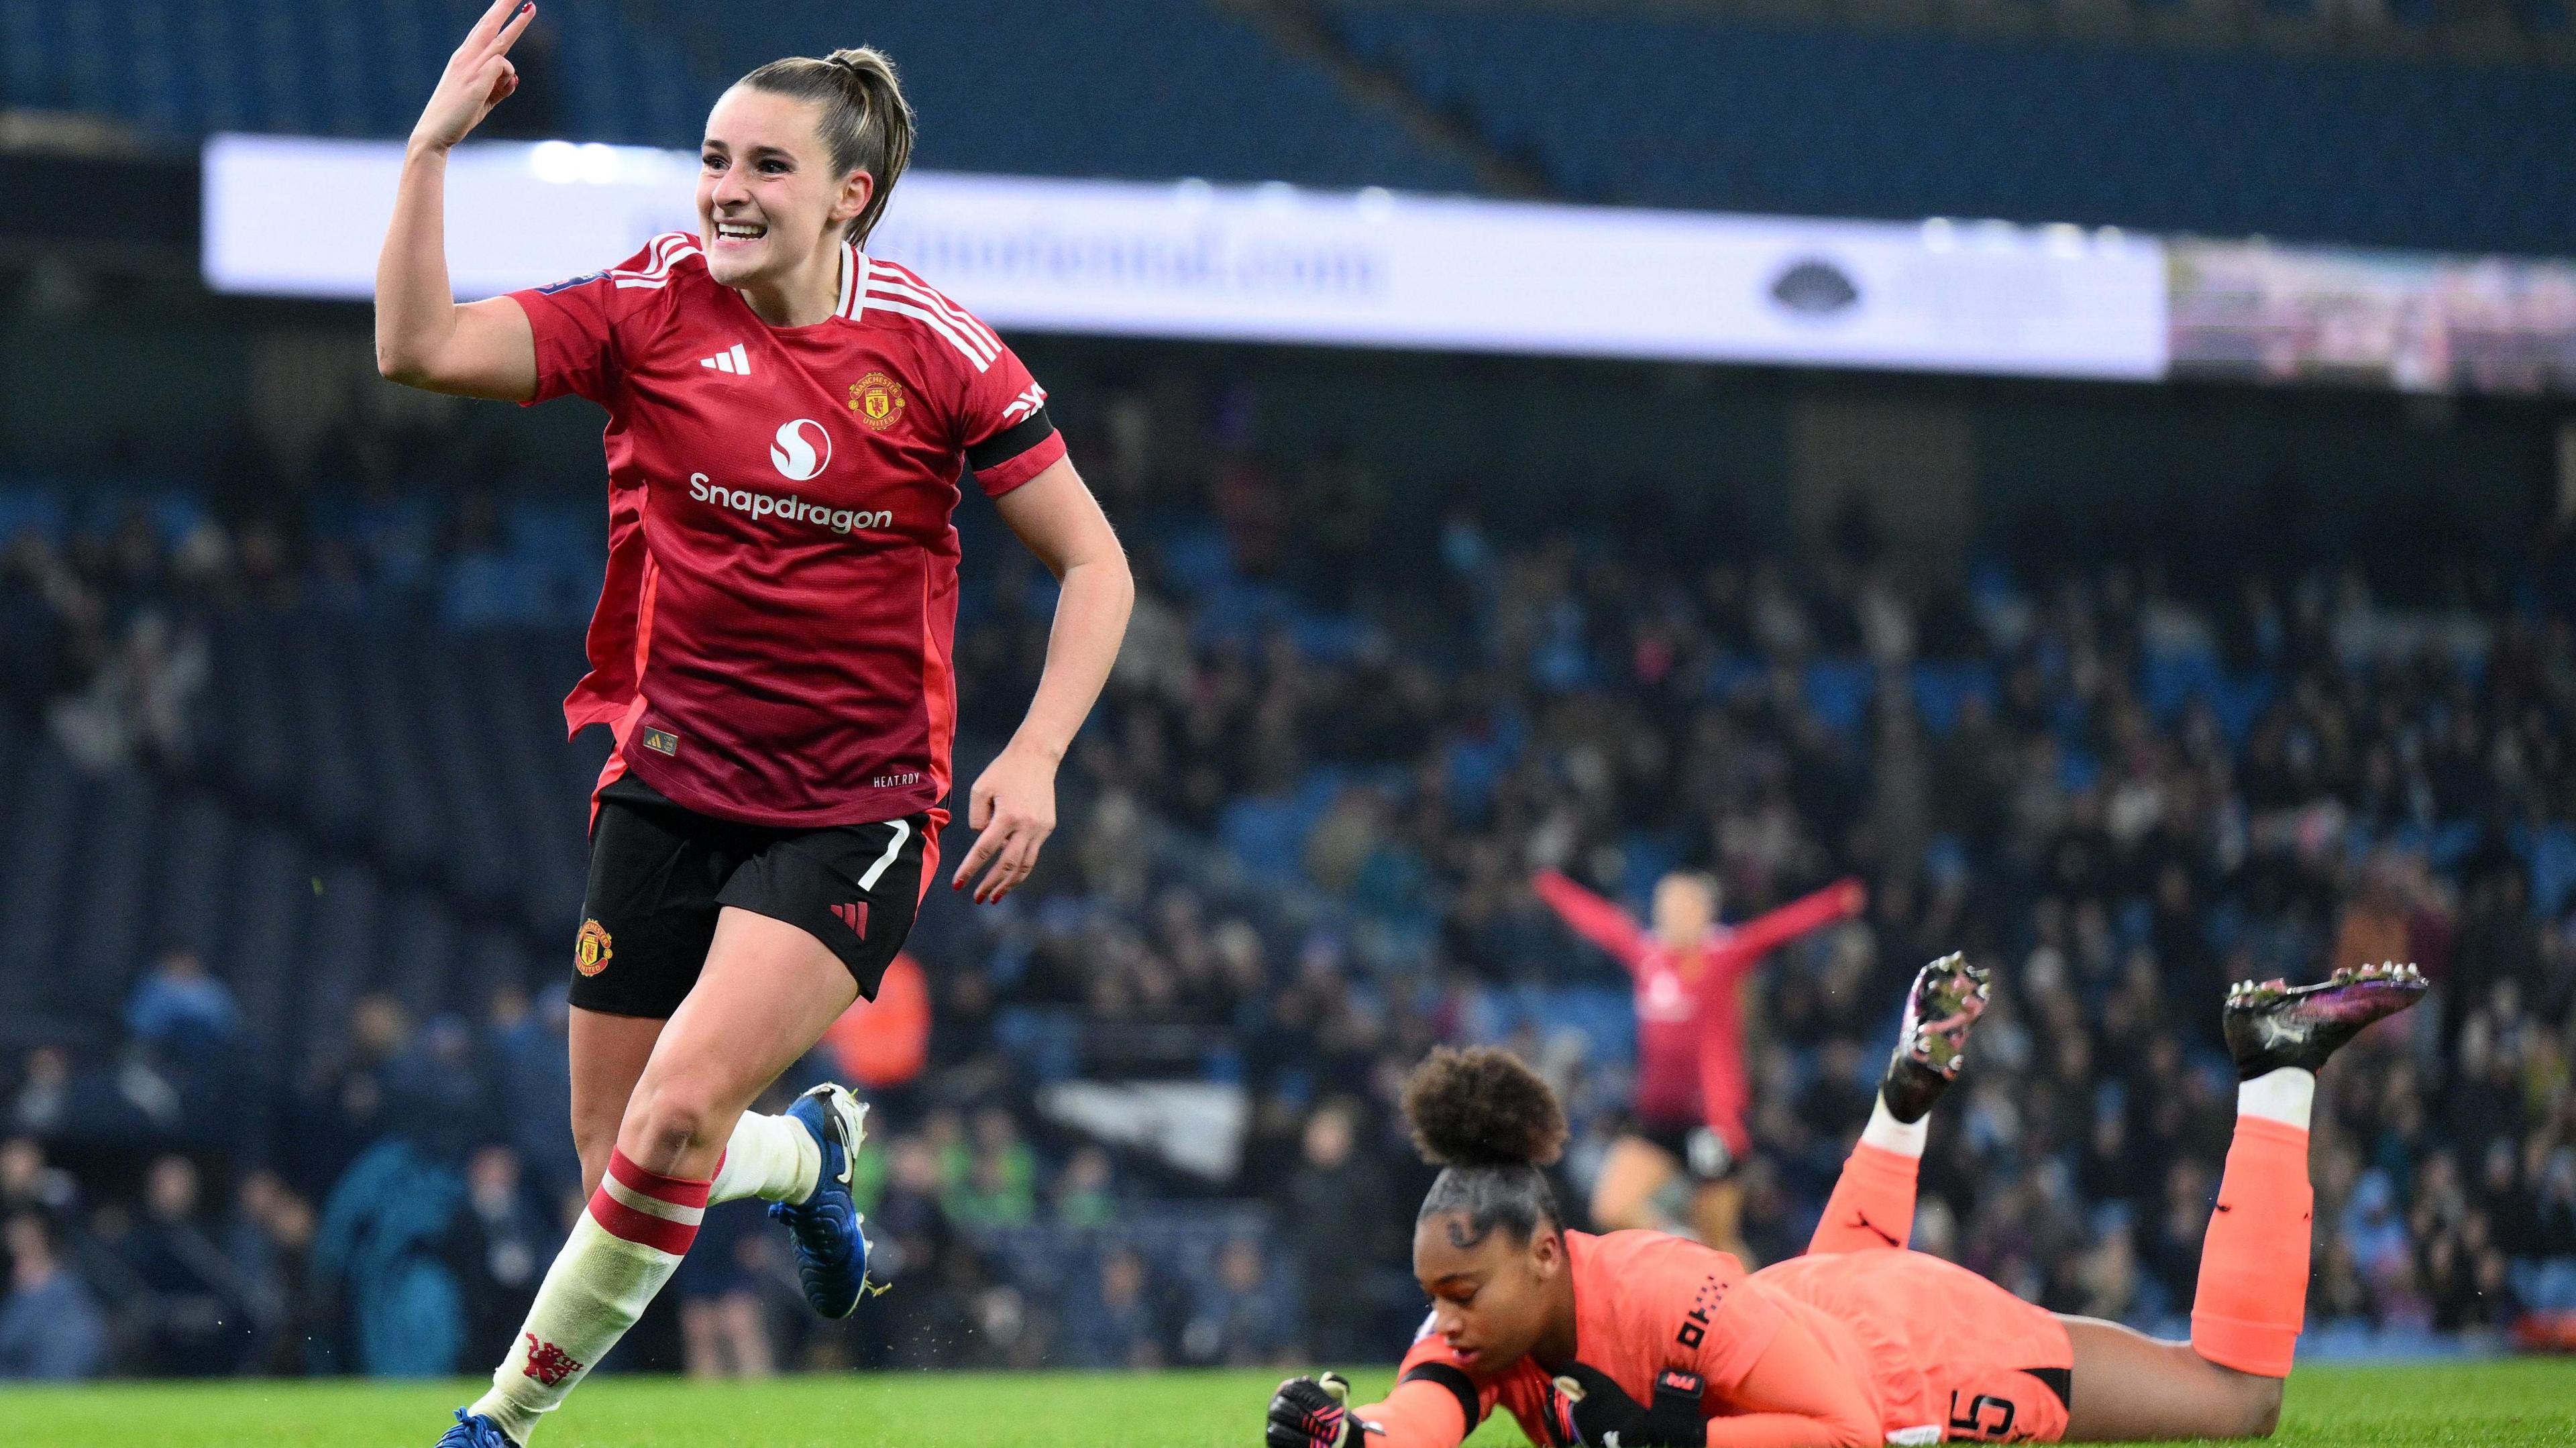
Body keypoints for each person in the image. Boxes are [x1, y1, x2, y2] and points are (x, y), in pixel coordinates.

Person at [376, 5, 1132, 1444]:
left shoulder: (937, 351)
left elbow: (1098, 562)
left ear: (851, 193)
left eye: (766, 166)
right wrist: (428, 155)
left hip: (856, 802)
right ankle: (802, 1154)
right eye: (713, 156)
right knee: (623, 1154)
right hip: (667, 777)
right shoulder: (650, 304)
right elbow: (416, 348)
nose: (725, 187)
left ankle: (499, 1419)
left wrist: (1032, 752)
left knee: (665, 1127)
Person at [1265, 956, 2426, 1447]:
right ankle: (1901, 1106)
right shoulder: (1482, 1307)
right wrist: (1345, 1434)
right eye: (1435, 1296)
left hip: (1922, 1356)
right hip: (1805, 1300)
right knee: (1809, 1302)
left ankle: (2276, 1071)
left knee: (2240, 1402)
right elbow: (1418, 1412)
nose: (1444, 1318)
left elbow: (1848, 1431)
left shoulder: (1665, 1284)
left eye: (1459, 1292)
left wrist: (1676, 1437)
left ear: (1548, 1254)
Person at [1531, 868, 1864, 1256]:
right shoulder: (1646, 956)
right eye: (1662, 906)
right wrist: (1553, 887)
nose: (1666, 915)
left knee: (1720, 1239)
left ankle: (1749, 1305)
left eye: (1676, 906)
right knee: (1610, 1208)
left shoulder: (1721, 956)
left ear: (1702, 912)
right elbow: (1602, 923)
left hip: (1711, 1124)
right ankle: (1685, 1249)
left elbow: (1778, 929)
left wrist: (1835, 903)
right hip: (1657, 1120)